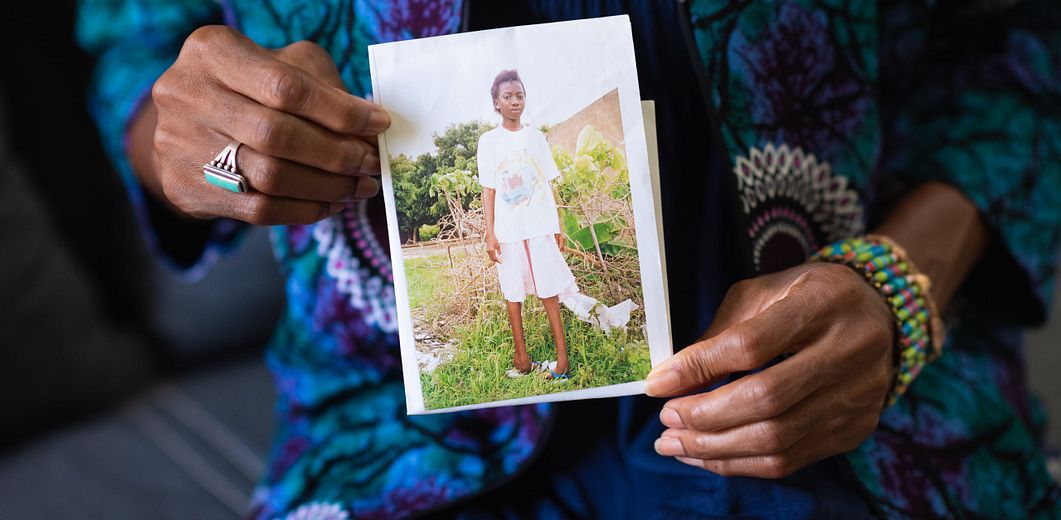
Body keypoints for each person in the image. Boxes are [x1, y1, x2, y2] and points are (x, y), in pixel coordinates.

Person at [76, 0, 1061, 518]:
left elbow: (1016, 41)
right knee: (515, 301)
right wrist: (193, 137)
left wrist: (902, 282)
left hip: (844, 408)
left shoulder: (530, 137)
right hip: (391, 435)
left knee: (545, 294)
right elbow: (136, 44)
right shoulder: (499, 141)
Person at [478, 69, 573, 381]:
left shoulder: (535, 137)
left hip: (539, 225)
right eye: (508, 97)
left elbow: (547, 182)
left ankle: (562, 363)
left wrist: (557, 225)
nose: (515, 101)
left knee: (548, 289)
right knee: (513, 291)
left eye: (519, 96)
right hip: (508, 230)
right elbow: (489, 189)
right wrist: (490, 234)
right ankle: (522, 359)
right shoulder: (488, 142)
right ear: (496, 103)